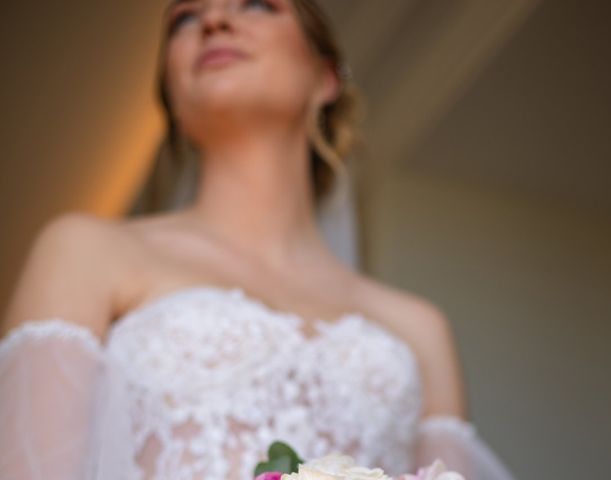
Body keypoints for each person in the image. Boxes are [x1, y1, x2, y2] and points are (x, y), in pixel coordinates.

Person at [0, 1, 517, 479]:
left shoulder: (419, 330)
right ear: (169, 94)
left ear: (326, 77)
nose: (213, 22)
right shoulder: (85, 251)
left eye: (257, 2)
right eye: (184, 18)